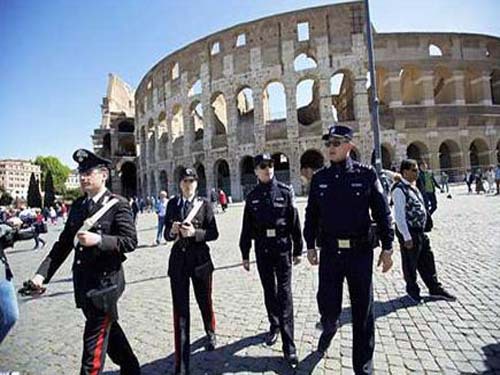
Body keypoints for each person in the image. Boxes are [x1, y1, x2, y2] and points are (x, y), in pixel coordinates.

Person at [26, 149, 140, 375]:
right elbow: (63, 244)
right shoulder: (78, 206)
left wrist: (99, 239)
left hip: (106, 285)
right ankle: (131, 367)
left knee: (92, 352)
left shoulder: (118, 204)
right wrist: (41, 275)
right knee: (110, 333)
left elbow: (129, 241)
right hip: (84, 284)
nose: (83, 178)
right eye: (81, 173)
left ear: (104, 175)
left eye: (89, 172)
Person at [303, 124, 394, 375]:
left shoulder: (366, 175)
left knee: (362, 310)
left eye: (336, 143)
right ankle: (329, 327)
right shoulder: (320, 178)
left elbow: (383, 213)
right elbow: (311, 215)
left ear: (349, 146)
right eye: (328, 144)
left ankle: (363, 366)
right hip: (331, 253)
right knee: (328, 305)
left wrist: (388, 247)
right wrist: (309, 245)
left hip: (359, 253)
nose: (330, 148)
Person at [239, 153, 303, 369]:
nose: (268, 168)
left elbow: (295, 222)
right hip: (263, 249)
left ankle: (289, 346)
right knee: (269, 290)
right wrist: (245, 252)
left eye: (270, 165)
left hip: (282, 247)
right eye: (263, 166)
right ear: (256, 171)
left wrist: (299, 249)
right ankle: (274, 325)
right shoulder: (253, 196)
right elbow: (246, 227)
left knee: (284, 294)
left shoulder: (285, 192)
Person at [164, 167, 219, 375]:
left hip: (200, 262)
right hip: (178, 262)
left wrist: (195, 233)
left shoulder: (204, 204)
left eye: (192, 181)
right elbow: (167, 234)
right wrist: (172, 231)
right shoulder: (172, 204)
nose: (189, 185)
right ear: (180, 184)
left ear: (197, 183)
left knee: (205, 301)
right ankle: (182, 365)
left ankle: (210, 330)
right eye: (185, 181)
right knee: (180, 312)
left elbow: (214, 233)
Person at [392, 159, 456, 303]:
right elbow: (399, 215)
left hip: (420, 231)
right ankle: (412, 290)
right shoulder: (399, 189)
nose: (417, 172)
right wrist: (406, 236)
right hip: (409, 232)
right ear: (405, 172)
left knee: (427, 259)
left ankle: (434, 287)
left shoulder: (413, 187)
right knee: (410, 263)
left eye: (417, 170)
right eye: (414, 170)